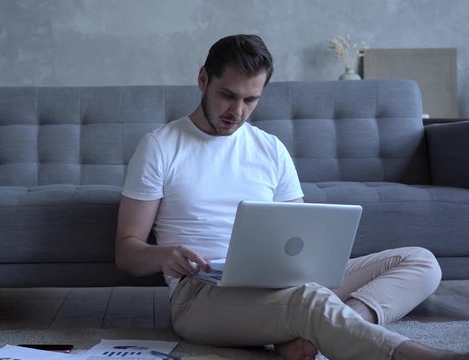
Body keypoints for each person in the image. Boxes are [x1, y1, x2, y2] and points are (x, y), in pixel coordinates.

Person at [115, 34, 469, 360]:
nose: (236, 112)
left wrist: (309, 272)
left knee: (421, 262)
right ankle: (415, 355)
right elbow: (127, 253)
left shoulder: (269, 148)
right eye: (228, 95)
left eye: (250, 99)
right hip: (200, 295)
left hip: (279, 281)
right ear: (203, 79)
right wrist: (164, 255)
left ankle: (337, 324)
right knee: (308, 301)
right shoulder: (160, 146)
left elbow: (300, 237)